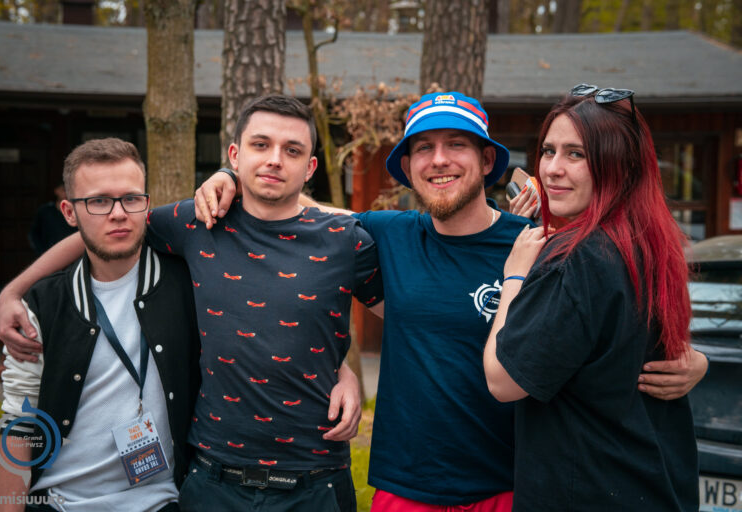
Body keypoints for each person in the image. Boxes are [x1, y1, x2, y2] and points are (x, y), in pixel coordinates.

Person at [195, 91, 708, 511]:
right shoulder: (387, 235)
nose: (439, 160)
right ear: (407, 166)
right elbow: (296, 208)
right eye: (424, 147)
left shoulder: (536, 244)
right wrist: (230, 178)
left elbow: (614, 320)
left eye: (457, 144)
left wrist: (693, 358)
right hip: (406, 487)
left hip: (510, 484)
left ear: (486, 161)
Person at [0, 95, 377, 512]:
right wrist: (14, 291)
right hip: (213, 483)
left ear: (311, 166)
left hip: (311, 483)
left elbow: (404, 317)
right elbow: (103, 230)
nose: (274, 159)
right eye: (260, 145)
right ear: (235, 155)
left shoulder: (343, 239)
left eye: (292, 150)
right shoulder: (195, 225)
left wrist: (340, 369)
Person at [483, 85, 699, 510]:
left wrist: (514, 276)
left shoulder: (577, 260)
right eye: (548, 151)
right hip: (652, 486)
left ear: (619, 165)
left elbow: (503, 381)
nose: (552, 169)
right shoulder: (649, 244)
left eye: (576, 154)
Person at [0, 138, 200, 511]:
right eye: (99, 201)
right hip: (59, 503)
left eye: (131, 198)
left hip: (160, 503)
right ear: (69, 212)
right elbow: (19, 425)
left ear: (147, 204)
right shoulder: (42, 305)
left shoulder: (188, 286)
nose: (118, 213)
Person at [28, 183, 77, 256]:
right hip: (49, 254)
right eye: (64, 190)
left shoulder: (76, 211)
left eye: (69, 190)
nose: (66, 193)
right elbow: (34, 234)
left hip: (73, 254)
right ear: (56, 190)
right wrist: (41, 252)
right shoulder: (46, 211)